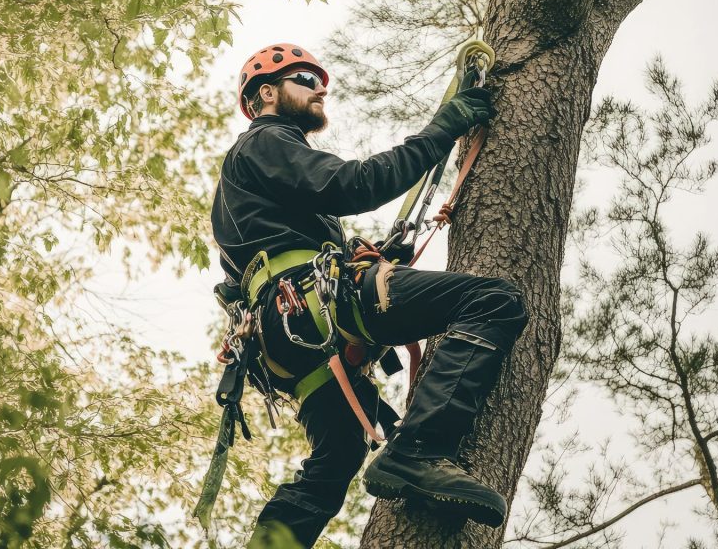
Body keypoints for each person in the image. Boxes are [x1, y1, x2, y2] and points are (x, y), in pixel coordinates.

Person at [211, 43, 528, 548]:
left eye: (320, 83)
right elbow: (357, 184)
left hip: (291, 340)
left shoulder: (254, 188)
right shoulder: (264, 142)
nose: (320, 90)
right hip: (310, 308)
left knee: (333, 465)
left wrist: (372, 254)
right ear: (267, 93)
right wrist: (445, 126)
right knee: (495, 301)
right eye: (305, 80)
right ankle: (417, 451)